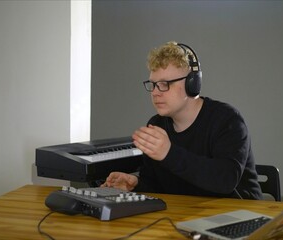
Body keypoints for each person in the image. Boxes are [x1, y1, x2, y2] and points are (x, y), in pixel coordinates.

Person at [101, 41, 263, 200]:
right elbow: (160, 187)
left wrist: (169, 153)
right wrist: (136, 184)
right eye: (153, 84)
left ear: (192, 83)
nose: (156, 93)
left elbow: (225, 181)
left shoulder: (227, 119)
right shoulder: (157, 124)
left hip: (240, 214)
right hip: (186, 214)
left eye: (165, 84)